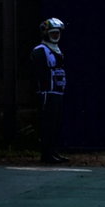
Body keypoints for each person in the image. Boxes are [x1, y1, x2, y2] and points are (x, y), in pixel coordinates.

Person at [31, 17, 68, 164]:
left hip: (58, 92)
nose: (55, 36)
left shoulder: (57, 50)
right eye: (52, 33)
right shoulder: (41, 50)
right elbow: (39, 71)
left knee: (56, 124)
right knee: (48, 124)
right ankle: (46, 154)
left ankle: (54, 152)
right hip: (47, 92)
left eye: (57, 33)